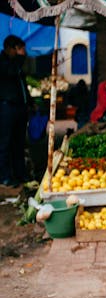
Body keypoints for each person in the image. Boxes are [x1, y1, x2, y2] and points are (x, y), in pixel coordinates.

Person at [0, 35, 31, 188]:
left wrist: (30, 103)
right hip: (7, 107)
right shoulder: (4, 63)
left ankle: (20, 174)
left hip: (19, 108)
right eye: (20, 49)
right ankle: (5, 176)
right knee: (5, 142)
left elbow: (22, 85)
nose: (23, 52)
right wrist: (19, 58)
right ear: (11, 49)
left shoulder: (15, 64)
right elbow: (11, 72)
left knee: (19, 143)